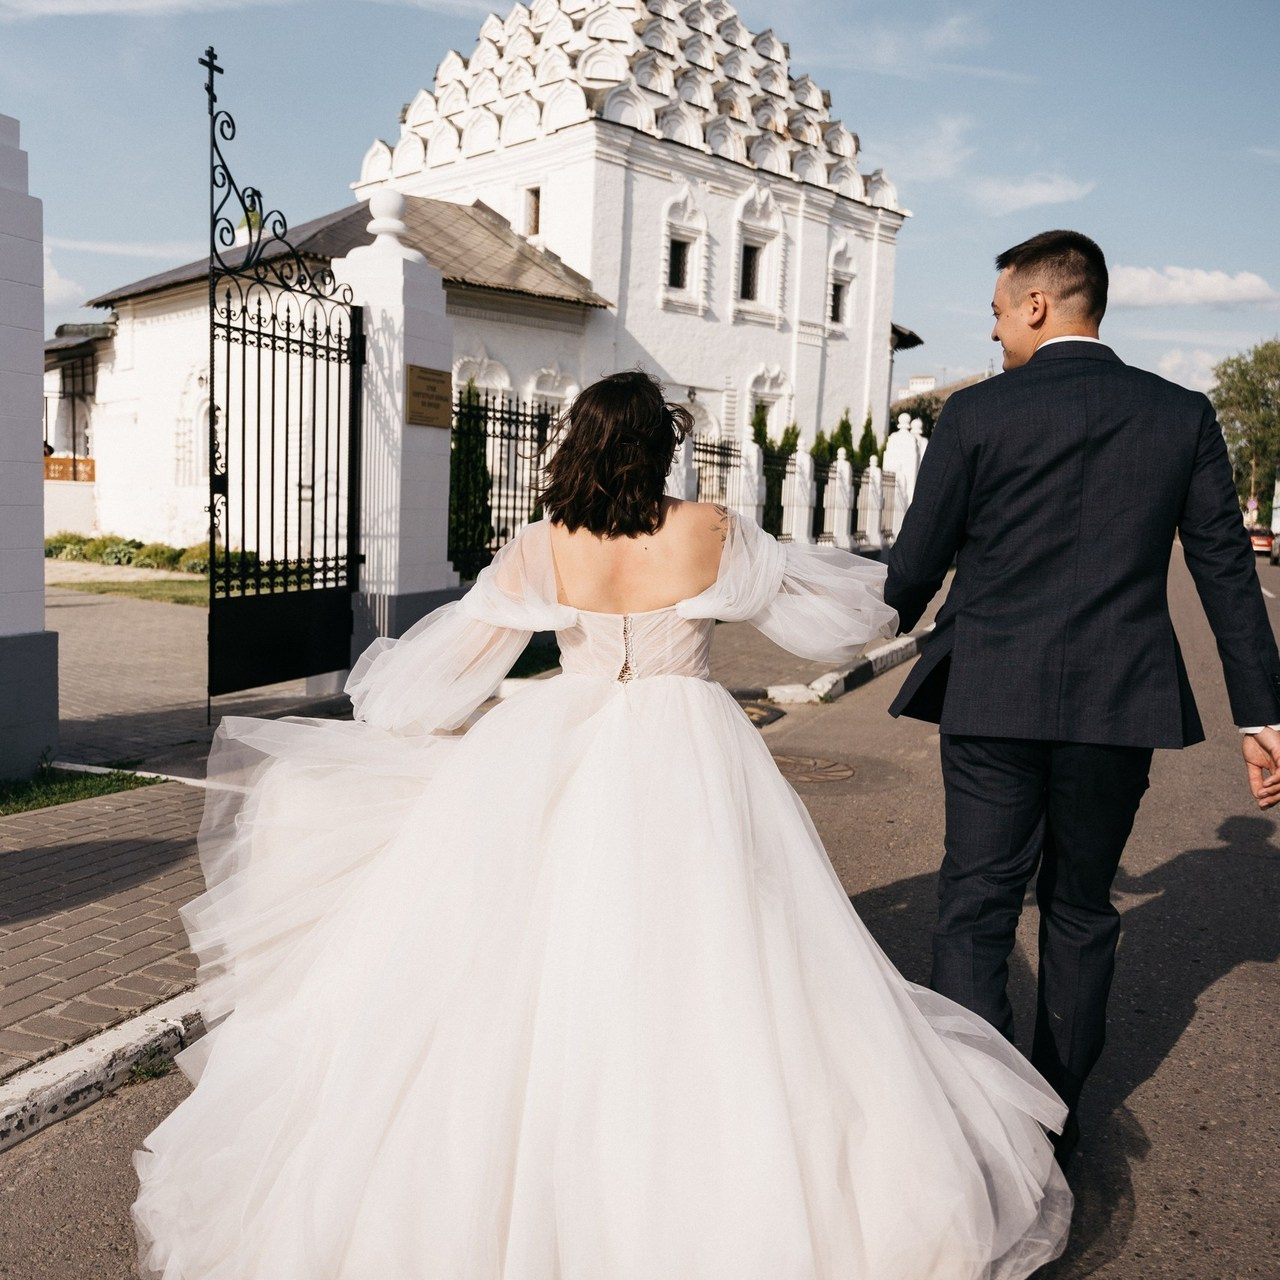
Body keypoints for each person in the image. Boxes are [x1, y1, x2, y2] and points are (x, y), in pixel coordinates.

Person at [133, 371, 1071, 1278]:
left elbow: (449, 665)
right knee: (726, 948)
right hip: (690, 744)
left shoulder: (543, 545)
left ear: (576, 445)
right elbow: (836, 621)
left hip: (560, 740)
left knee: (536, 952)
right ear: (661, 450)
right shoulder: (710, 529)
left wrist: (412, 716)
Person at [884, 230, 1280, 1167]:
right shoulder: (1181, 414)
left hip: (990, 697)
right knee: (1080, 908)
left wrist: (836, 609)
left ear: (1036, 304)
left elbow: (912, 570)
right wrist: (1263, 714)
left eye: (995, 313)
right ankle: (1054, 1123)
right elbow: (1225, 570)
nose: (992, 332)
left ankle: (986, 1128)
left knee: (975, 906)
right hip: (1117, 706)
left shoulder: (977, 414)